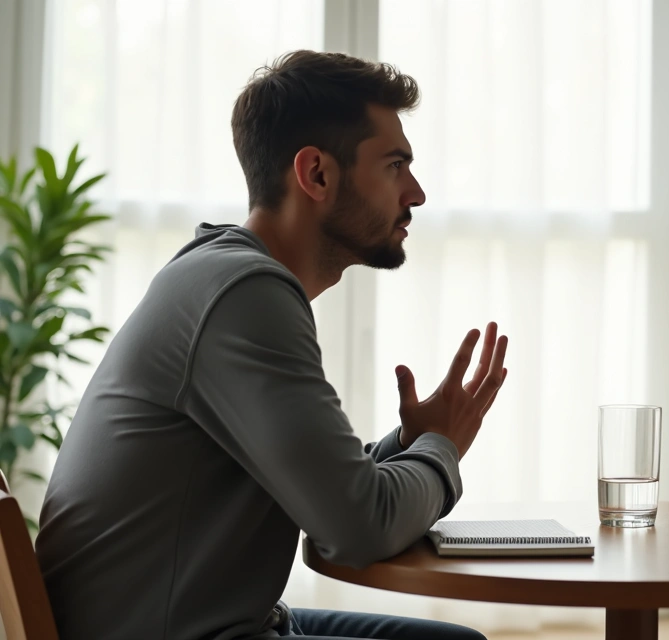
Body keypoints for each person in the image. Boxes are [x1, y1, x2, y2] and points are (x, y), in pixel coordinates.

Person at [36, 50, 504, 640]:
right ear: (315, 174)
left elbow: (327, 488)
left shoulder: (220, 276)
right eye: (394, 165)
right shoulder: (245, 295)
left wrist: (409, 443)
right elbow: (357, 527)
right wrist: (443, 447)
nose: (417, 192)